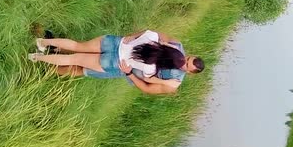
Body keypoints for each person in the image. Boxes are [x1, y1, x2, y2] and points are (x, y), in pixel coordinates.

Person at [27, 30, 204, 94]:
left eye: (186, 66)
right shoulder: (164, 58)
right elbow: (149, 80)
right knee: (77, 57)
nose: (183, 62)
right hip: (119, 64)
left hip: (119, 61)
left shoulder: (156, 41)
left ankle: (45, 48)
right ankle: (40, 58)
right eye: (187, 59)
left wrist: (130, 39)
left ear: (189, 72)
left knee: (79, 62)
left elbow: (147, 87)